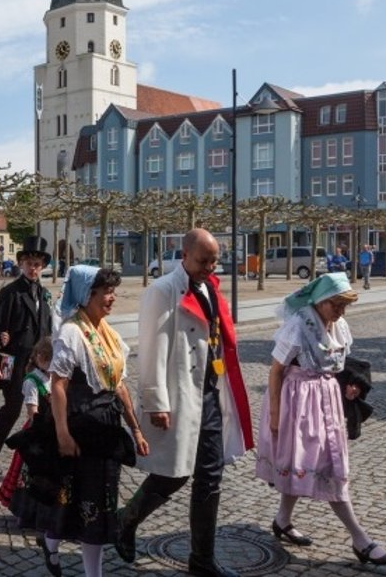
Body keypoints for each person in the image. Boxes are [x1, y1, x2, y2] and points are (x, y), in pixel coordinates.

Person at [115, 228, 253, 577]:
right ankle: (125, 520)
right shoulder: (162, 291)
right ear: (185, 256)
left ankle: (201, 560)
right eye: (203, 260)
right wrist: (155, 401)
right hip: (179, 394)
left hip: (208, 393)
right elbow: (151, 348)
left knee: (210, 478)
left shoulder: (209, 287)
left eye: (214, 260)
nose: (210, 266)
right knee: (173, 475)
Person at [11, 266, 148, 577]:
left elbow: (119, 384)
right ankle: (51, 543)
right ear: (89, 296)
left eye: (113, 292)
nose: (112, 298)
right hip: (79, 426)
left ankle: (92, 573)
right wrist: (62, 433)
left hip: (106, 430)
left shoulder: (110, 335)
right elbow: (58, 384)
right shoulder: (72, 332)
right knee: (70, 502)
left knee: (99, 507)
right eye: (106, 293)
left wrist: (135, 427)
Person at [255, 272, 386, 566]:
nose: (341, 311)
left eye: (344, 305)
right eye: (336, 304)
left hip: (324, 399)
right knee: (329, 466)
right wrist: (275, 414)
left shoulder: (339, 325)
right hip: (298, 402)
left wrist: (350, 384)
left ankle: (282, 520)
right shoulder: (298, 325)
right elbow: (276, 370)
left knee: (309, 464)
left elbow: (338, 364)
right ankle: (361, 540)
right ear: (320, 302)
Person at [0, 235, 53, 475]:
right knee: (12, 408)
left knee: (44, 410)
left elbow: (48, 329)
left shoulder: (44, 294)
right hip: (14, 361)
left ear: (43, 266)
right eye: (29, 263)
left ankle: (39, 460)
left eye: (38, 264)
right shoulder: (11, 292)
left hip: (39, 363)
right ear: (21, 264)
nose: (33, 268)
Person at [0, 335, 53, 508]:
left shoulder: (52, 378)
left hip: (51, 428)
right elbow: (32, 411)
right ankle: (25, 507)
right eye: (49, 360)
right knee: (28, 470)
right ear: (39, 358)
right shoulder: (32, 381)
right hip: (37, 429)